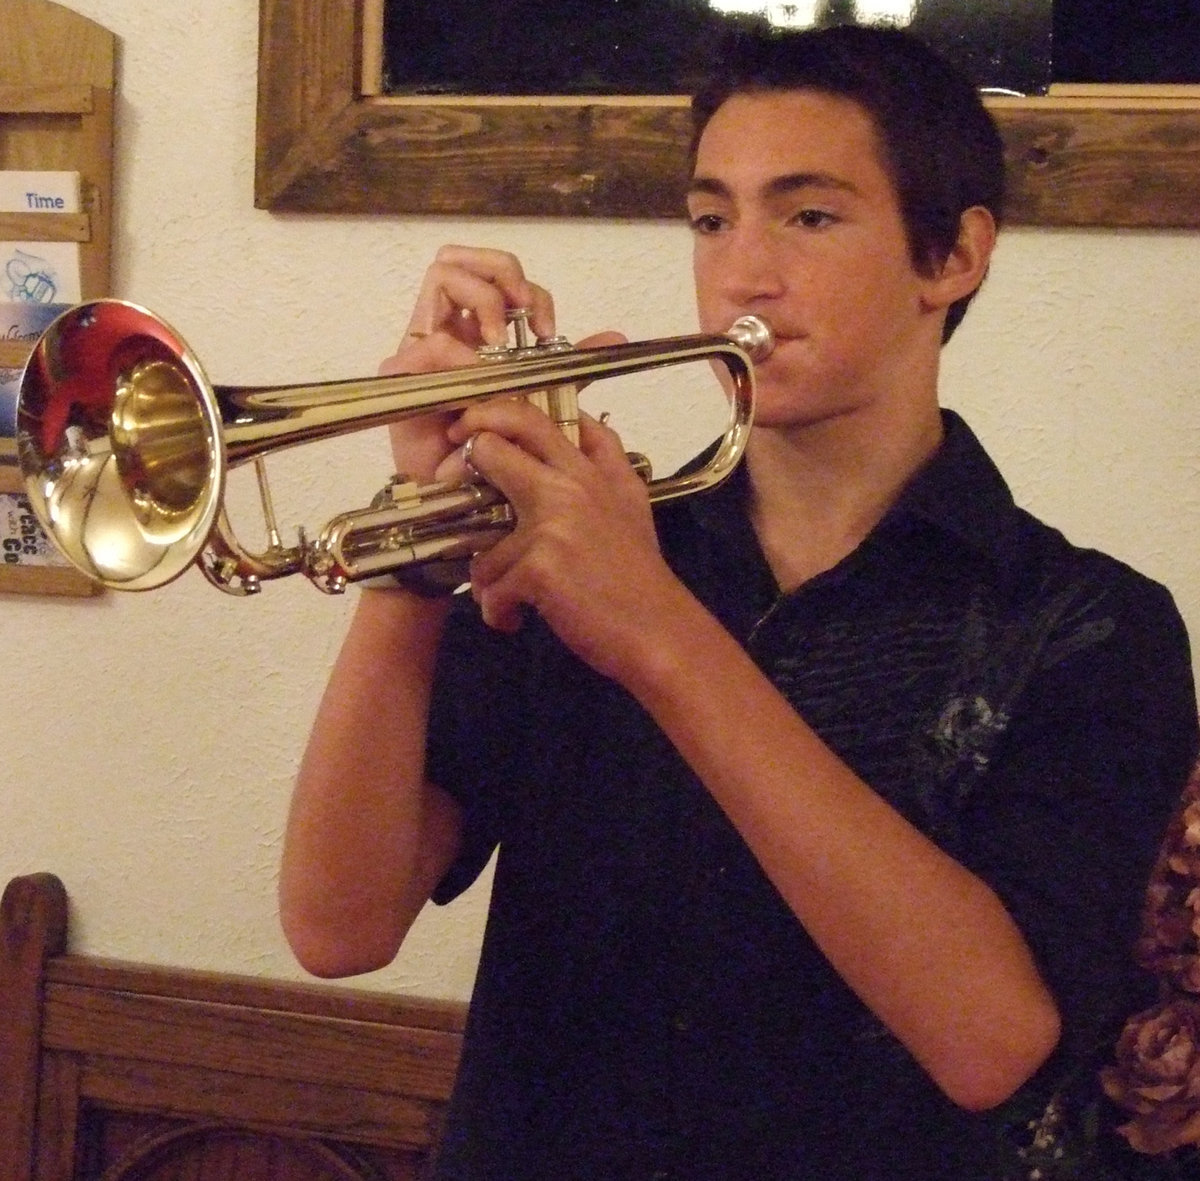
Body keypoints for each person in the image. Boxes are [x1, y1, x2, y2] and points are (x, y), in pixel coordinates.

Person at [278, 24, 1199, 1180]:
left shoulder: (1094, 627)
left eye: (808, 216)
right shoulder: (586, 549)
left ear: (953, 256)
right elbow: (338, 926)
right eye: (712, 219)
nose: (741, 273)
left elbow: (992, 1042)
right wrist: (417, 543)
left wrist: (656, 632)